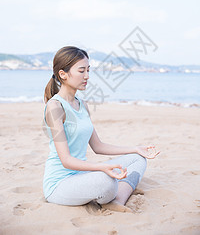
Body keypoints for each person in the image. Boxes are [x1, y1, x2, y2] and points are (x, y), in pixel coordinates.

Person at [43, 46, 160, 213]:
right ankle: (111, 193)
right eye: (81, 71)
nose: (87, 76)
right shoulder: (55, 107)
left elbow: (98, 146)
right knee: (107, 180)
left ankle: (117, 200)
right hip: (60, 184)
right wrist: (102, 168)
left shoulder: (82, 104)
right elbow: (66, 160)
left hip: (82, 177)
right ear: (63, 74)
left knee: (138, 159)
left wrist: (135, 148)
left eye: (88, 70)